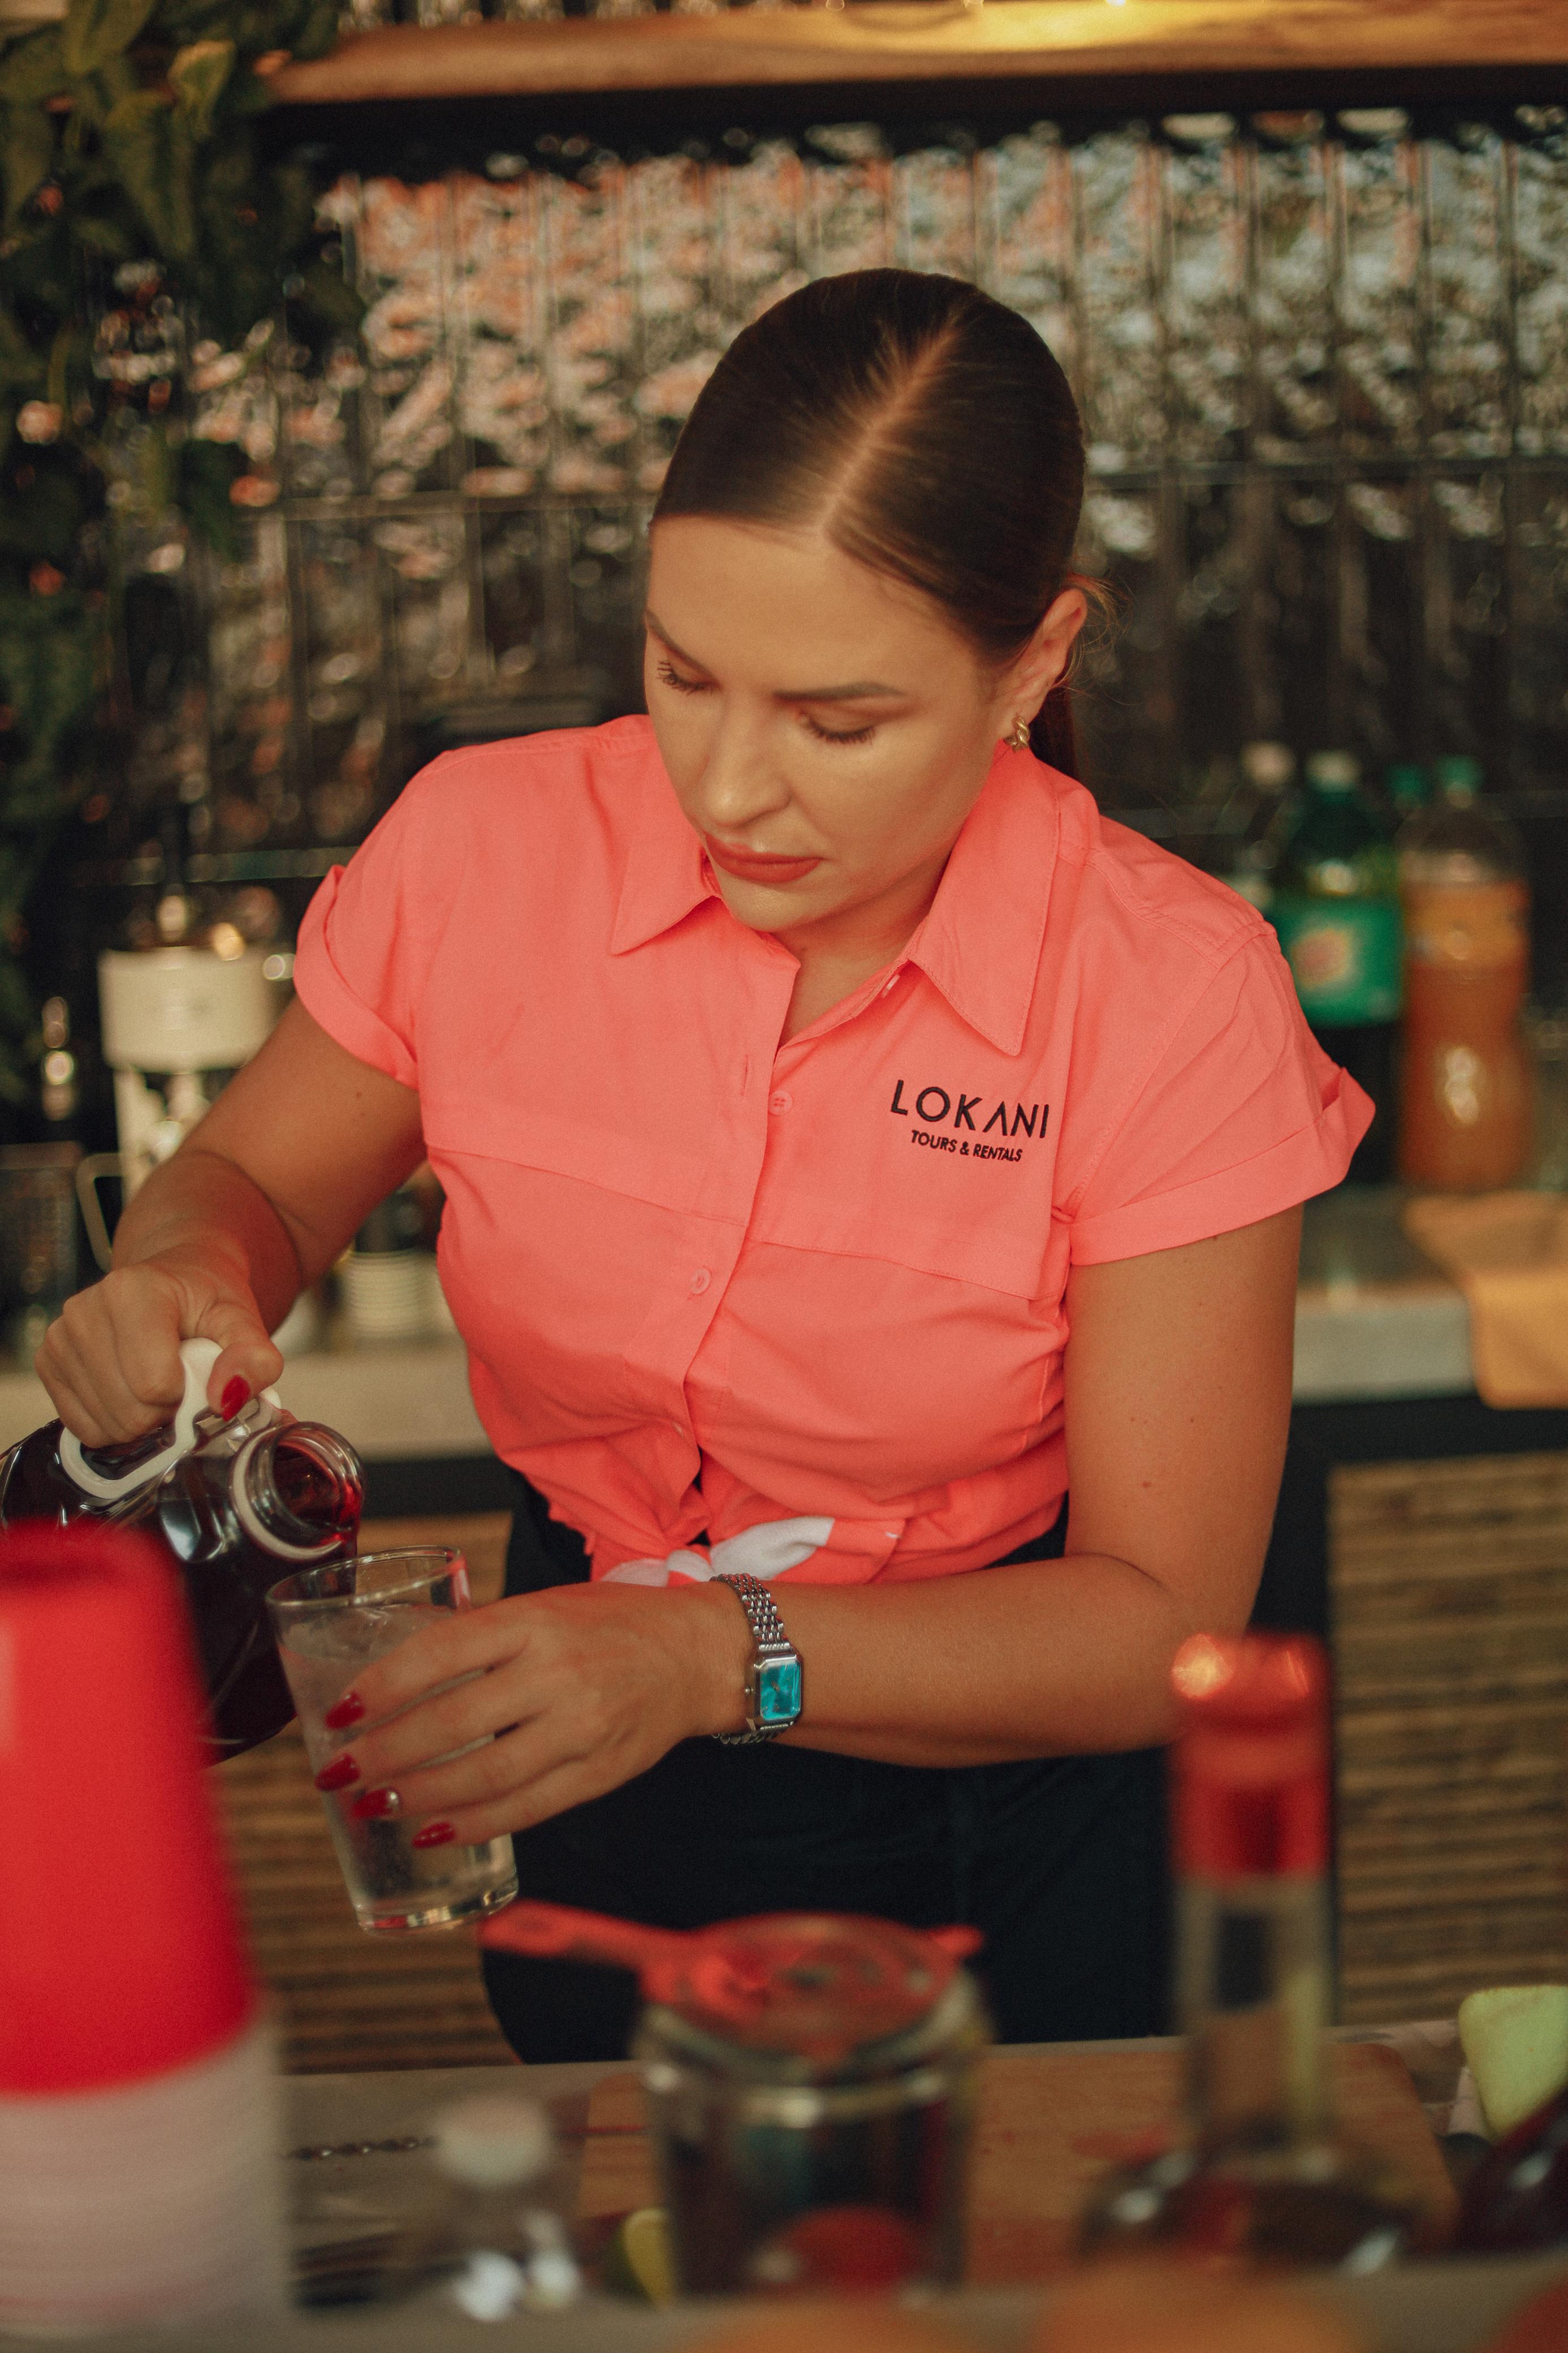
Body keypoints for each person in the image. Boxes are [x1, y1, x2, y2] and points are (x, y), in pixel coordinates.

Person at [40, 271, 1368, 2061]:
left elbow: (1161, 1628)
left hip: (1019, 1794)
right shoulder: (484, 851)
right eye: (682, 675)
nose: (730, 789)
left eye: (837, 723)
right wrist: (184, 1270)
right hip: (594, 1726)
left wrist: (700, 1655)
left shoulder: (1168, 991)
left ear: (1034, 663)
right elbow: (260, 1190)